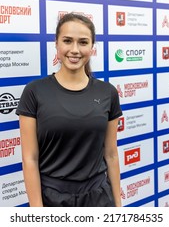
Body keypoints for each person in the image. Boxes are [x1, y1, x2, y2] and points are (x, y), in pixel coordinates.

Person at [16, 13, 122, 207]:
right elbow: (29, 158)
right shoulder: (34, 92)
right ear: (56, 44)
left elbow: (111, 154)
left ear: (92, 47)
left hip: (99, 198)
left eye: (83, 42)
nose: (75, 50)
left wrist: (118, 206)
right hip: (53, 200)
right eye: (67, 41)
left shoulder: (108, 92)